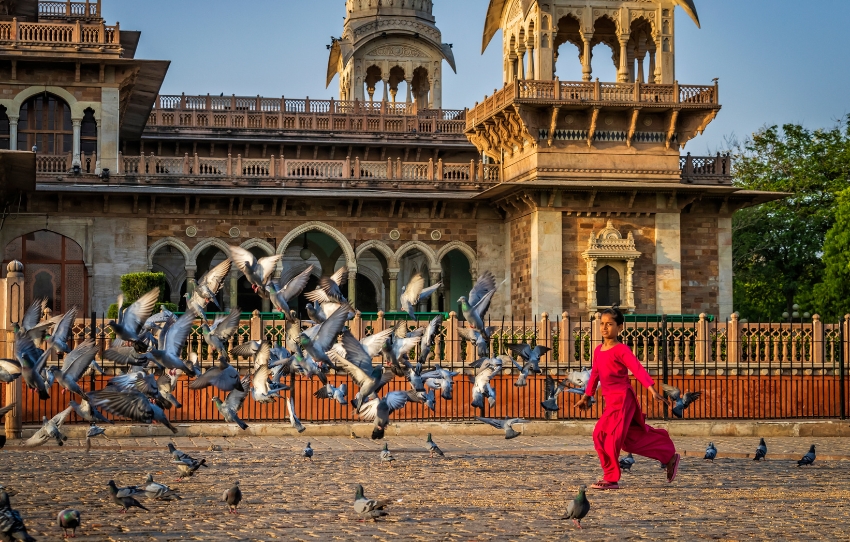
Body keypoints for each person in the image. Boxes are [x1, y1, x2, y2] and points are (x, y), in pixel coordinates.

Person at [573, 306, 680, 490]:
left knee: (604, 435)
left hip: (623, 400)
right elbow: (596, 374)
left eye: (610, 324)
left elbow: (637, 369)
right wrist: (587, 396)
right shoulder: (598, 350)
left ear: (620, 327)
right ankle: (667, 454)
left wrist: (652, 390)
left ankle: (610, 477)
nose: (605, 328)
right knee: (630, 439)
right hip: (611, 402)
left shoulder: (621, 350)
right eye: (602, 324)